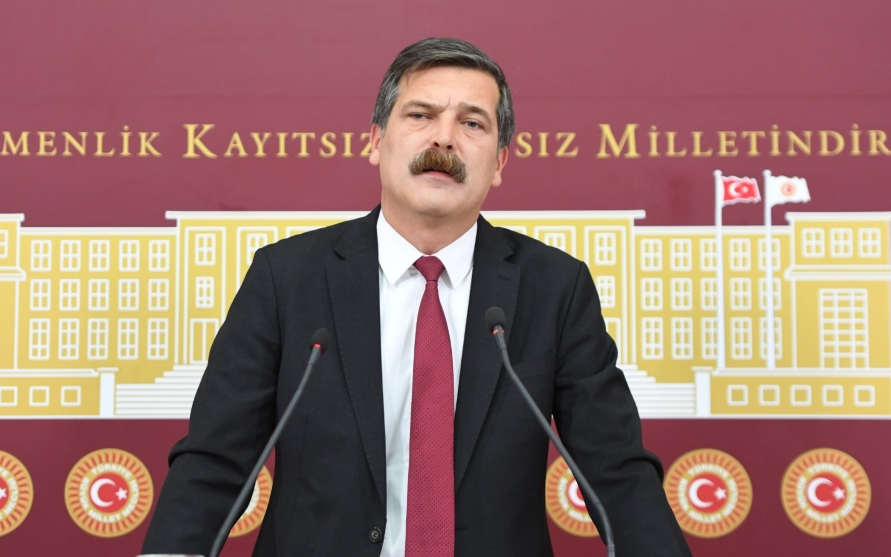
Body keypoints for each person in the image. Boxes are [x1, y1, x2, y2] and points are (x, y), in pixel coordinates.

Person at [142, 37, 692, 557]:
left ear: (500, 162)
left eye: (472, 123)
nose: (444, 139)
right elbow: (215, 463)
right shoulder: (287, 278)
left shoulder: (555, 287)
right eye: (421, 115)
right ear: (376, 141)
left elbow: (615, 471)